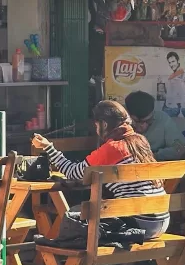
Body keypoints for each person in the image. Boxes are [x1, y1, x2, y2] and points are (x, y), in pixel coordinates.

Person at [32, 100, 169, 241]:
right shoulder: (141, 141)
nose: (97, 130)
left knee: (76, 213)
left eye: (97, 125)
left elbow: (73, 173)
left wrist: (48, 147)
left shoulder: (113, 148)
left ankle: (62, 255)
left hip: (139, 224)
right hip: (161, 221)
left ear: (104, 125)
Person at [125, 91, 185, 161]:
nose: (143, 127)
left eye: (149, 120)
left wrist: (155, 155)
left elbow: (180, 149)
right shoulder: (119, 122)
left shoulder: (163, 119)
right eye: (137, 122)